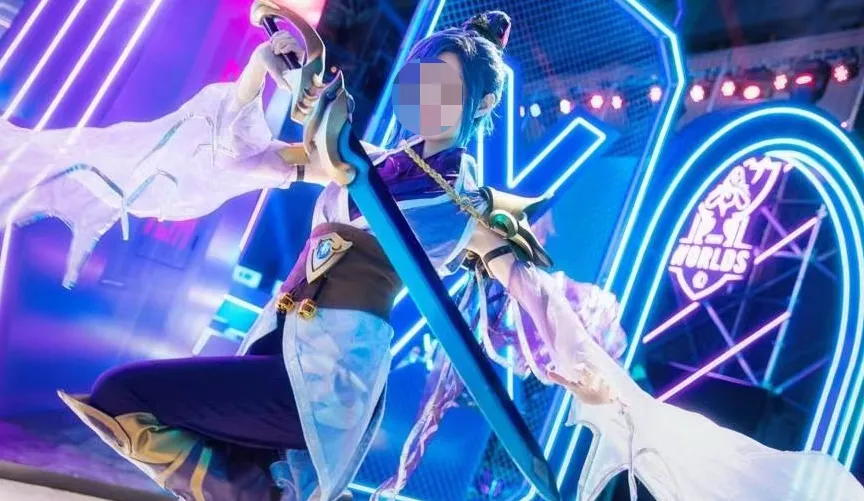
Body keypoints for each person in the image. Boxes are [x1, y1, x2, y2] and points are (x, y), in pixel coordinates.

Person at [1, 6, 862, 501]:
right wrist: (280, 71)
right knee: (132, 407)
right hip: (277, 350)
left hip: (327, 382)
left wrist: (584, 359)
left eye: (441, 82)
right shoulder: (367, 160)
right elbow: (268, 152)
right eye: (416, 75)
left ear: (475, 105)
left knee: (126, 398)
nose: (420, 91)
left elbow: (527, 292)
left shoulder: (467, 201)